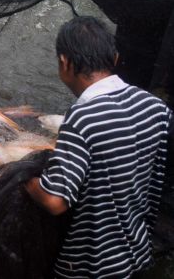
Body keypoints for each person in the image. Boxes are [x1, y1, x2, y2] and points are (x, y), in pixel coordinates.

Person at [25, 16, 171, 278]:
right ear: (115, 59)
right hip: (136, 251)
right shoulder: (156, 108)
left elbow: (54, 201)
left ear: (64, 63)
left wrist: (26, 180)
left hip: (90, 264)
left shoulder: (83, 117)